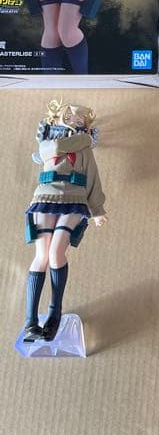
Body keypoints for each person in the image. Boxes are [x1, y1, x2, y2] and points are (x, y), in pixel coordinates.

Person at [23, 99, 107, 342]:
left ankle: (54, 312)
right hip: (45, 196)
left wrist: (97, 209)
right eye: (68, 117)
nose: (73, 121)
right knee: (41, 255)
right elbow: (52, 148)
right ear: (57, 117)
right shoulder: (48, 141)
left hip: (75, 199)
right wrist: (83, 139)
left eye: (79, 120)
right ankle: (30, 321)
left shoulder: (84, 150)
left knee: (56, 252)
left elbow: (93, 177)